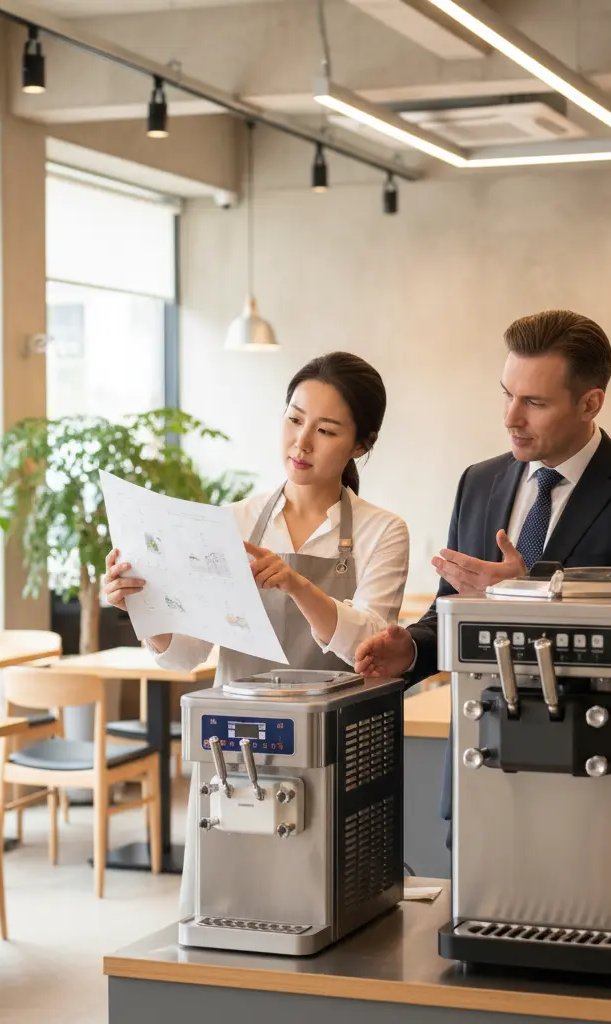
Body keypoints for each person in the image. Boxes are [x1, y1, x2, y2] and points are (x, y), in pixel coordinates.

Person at [355, 309, 611, 842]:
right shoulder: (479, 481)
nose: (511, 417)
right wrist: (413, 652)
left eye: (534, 402)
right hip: (480, 769)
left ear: (591, 403)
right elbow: (452, 610)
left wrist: (526, 595)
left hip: (598, 783)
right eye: (507, 394)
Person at [103, 350, 410, 912]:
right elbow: (186, 653)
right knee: (230, 909)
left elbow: (370, 644)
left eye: (326, 429)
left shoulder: (381, 531)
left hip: (335, 749)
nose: (302, 442)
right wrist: (143, 605)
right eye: (294, 419)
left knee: (328, 909)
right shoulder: (233, 523)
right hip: (234, 750)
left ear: (361, 444)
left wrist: (297, 585)